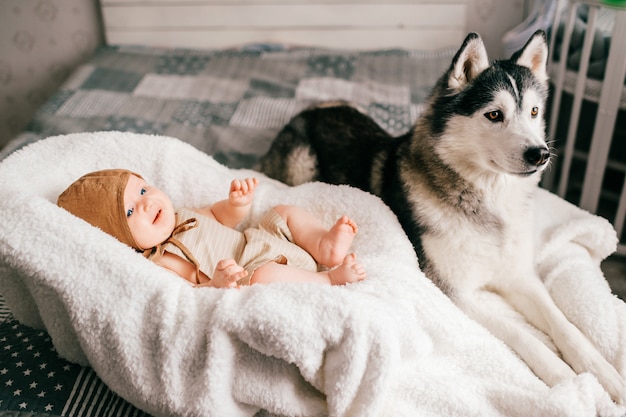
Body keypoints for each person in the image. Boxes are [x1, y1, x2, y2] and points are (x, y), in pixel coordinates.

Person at [57, 169, 366, 288]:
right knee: (263, 278)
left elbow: (224, 217)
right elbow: (191, 293)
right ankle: (328, 279)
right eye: (129, 211)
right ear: (118, 239)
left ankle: (323, 245)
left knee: (281, 212)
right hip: (254, 268)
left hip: (263, 239)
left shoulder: (184, 214)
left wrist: (237, 203)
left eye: (142, 191)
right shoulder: (160, 260)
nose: (147, 203)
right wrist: (217, 283)